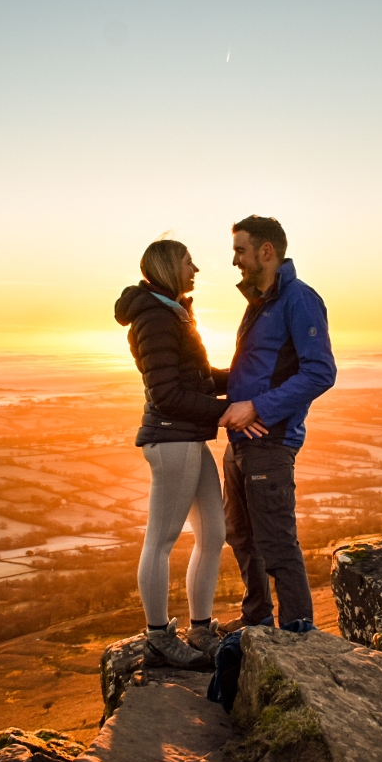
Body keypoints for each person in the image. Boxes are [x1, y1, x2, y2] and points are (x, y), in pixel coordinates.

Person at [114, 239, 265, 668]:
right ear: (167, 267)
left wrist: (243, 380)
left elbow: (195, 379)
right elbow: (166, 394)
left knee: (214, 535)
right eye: (187, 262)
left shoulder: (172, 313)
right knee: (161, 541)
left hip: (189, 438)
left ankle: (200, 629)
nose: (195, 268)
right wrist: (227, 411)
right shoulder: (156, 318)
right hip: (172, 439)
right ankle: (159, 636)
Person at [217, 216, 337, 631]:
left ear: (266, 251)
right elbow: (254, 372)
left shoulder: (298, 299)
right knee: (242, 536)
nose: (235, 260)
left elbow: (320, 372)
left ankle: (299, 634)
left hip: (271, 439)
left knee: (277, 543)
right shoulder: (260, 303)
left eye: (240, 251)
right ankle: (257, 620)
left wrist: (258, 409)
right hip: (241, 442)